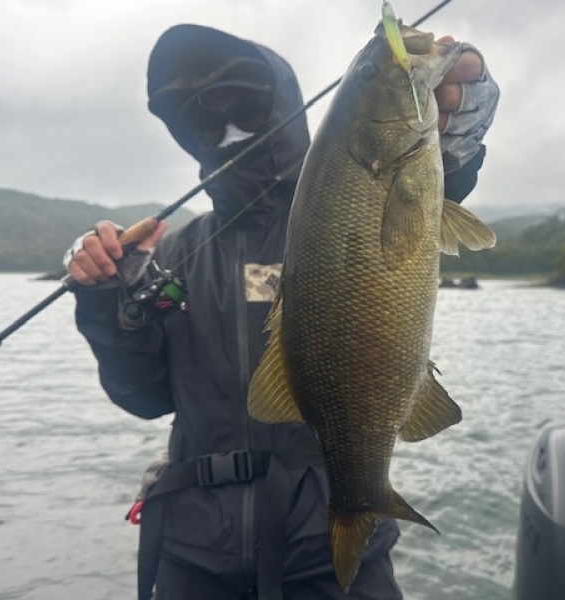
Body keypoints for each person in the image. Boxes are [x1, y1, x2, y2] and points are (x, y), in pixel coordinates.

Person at [65, 22, 499, 600]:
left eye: (246, 109)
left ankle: (357, 507)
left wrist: (458, 129)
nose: (229, 131)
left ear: (281, 107)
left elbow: (428, 184)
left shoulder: (338, 198)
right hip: (191, 555)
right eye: (207, 121)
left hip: (323, 553)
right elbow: (142, 397)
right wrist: (102, 302)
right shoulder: (172, 255)